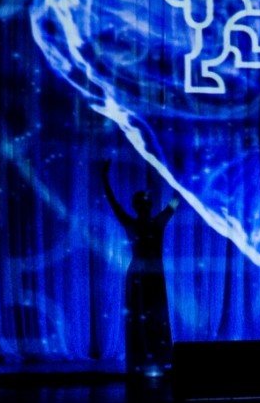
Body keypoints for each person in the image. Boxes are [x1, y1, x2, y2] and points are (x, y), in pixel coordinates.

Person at [101, 159, 179, 378]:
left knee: (149, 317)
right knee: (144, 317)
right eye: (143, 204)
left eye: (145, 204)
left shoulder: (150, 223)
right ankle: (149, 359)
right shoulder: (152, 222)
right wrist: (177, 174)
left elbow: (175, 201)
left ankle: (153, 359)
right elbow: (176, 200)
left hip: (146, 276)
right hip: (143, 276)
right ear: (143, 206)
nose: (145, 207)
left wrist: (104, 178)